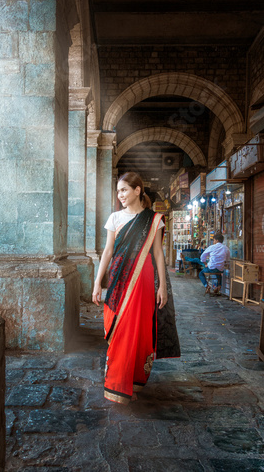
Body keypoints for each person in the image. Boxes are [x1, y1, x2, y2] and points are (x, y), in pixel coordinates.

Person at [92, 172, 180, 405]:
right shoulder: (114, 218)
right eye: (118, 191)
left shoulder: (155, 220)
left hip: (143, 280)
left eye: (124, 190)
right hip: (119, 280)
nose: (120, 195)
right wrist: (97, 282)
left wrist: (162, 286)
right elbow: (108, 252)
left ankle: (134, 379)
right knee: (119, 327)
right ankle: (117, 381)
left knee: (140, 328)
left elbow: (159, 254)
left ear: (137, 190)